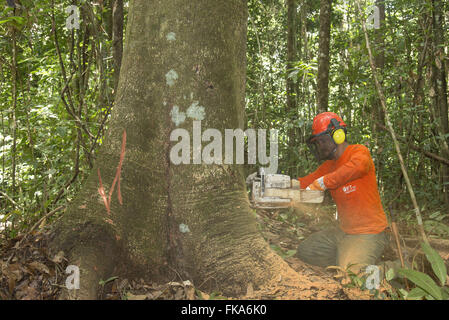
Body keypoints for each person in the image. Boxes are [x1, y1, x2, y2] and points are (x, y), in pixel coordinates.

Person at [295, 112, 389, 276]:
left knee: (351, 278)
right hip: (343, 232)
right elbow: (305, 182)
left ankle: (393, 268)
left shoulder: (359, 152)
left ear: (338, 135)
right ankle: (350, 258)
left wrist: (323, 182)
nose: (321, 146)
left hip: (368, 232)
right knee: (306, 250)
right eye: (318, 142)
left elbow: (358, 167)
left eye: (323, 140)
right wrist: (275, 183)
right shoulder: (328, 166)